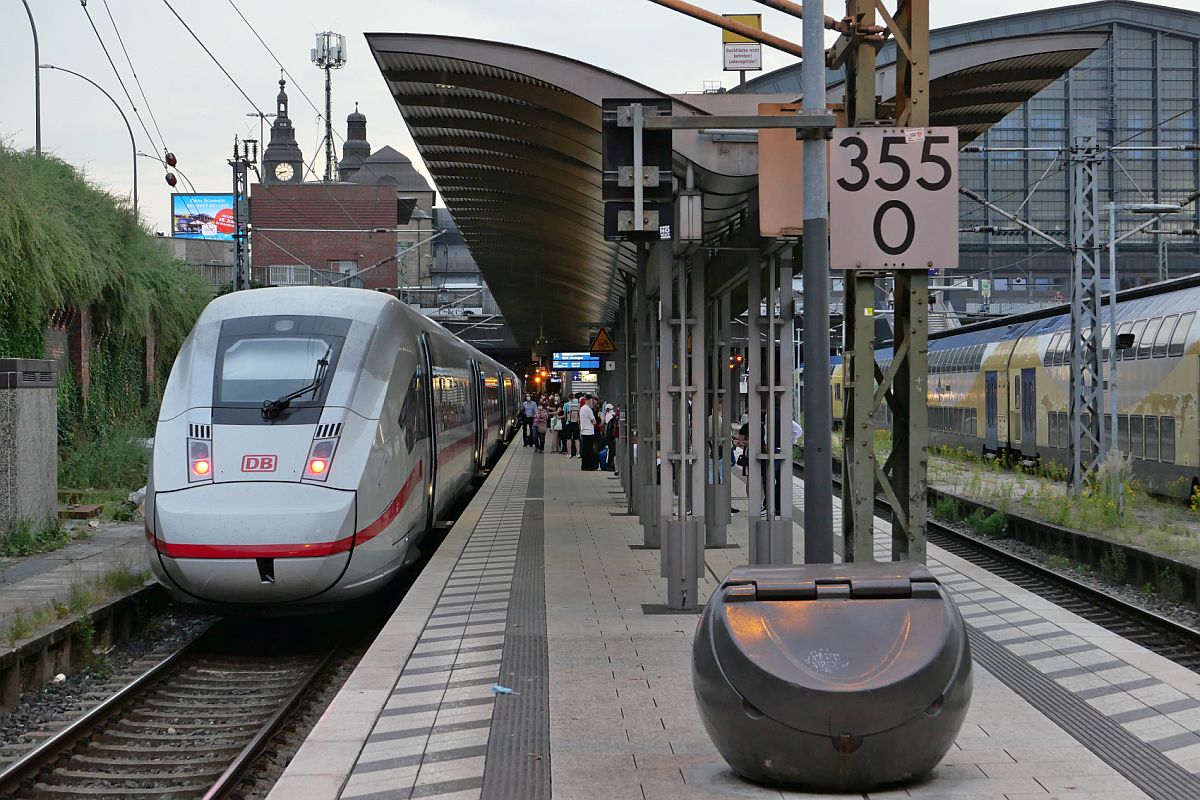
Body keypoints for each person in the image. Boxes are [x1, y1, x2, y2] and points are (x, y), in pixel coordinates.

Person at [579, 395, 598, 471]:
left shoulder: (582, 409)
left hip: (583, 431)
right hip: (589, 432)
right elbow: (594, 421)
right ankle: (589, 466)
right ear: (589, 400)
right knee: (590, 450)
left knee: (585, 450)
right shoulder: (588, 409)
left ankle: (584, 465)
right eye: (591, 400)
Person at [601, 404, 619, 474]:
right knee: (613, 452)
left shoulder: (608, 416)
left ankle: (610, 465)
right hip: (613, 436)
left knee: (611, 451)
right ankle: (611, 465)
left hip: (609, 436)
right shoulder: (614, 416)